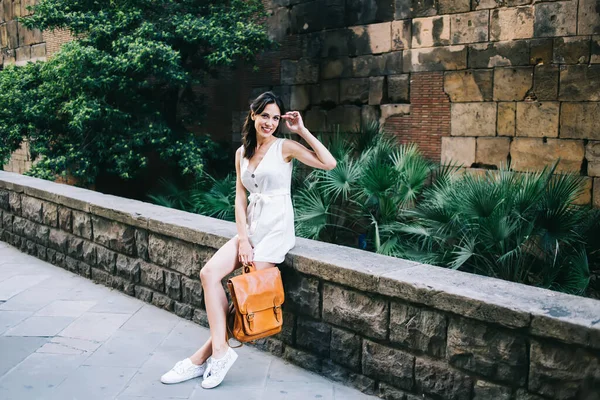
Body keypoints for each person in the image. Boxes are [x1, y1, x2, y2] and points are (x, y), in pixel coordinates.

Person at [160, 91, 337, 389]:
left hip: (277, 228)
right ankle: (218, 354)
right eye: (265, 115)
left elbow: (329, 163)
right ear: (253, 115)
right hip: (253, 226)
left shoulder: (286, 147)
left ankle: (201, 359)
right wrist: (243, 239)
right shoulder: (242, 152)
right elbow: (240, 199)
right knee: (209, 273)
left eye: (275, 118)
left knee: (245, 294)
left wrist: (302, 130)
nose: (270, 122)